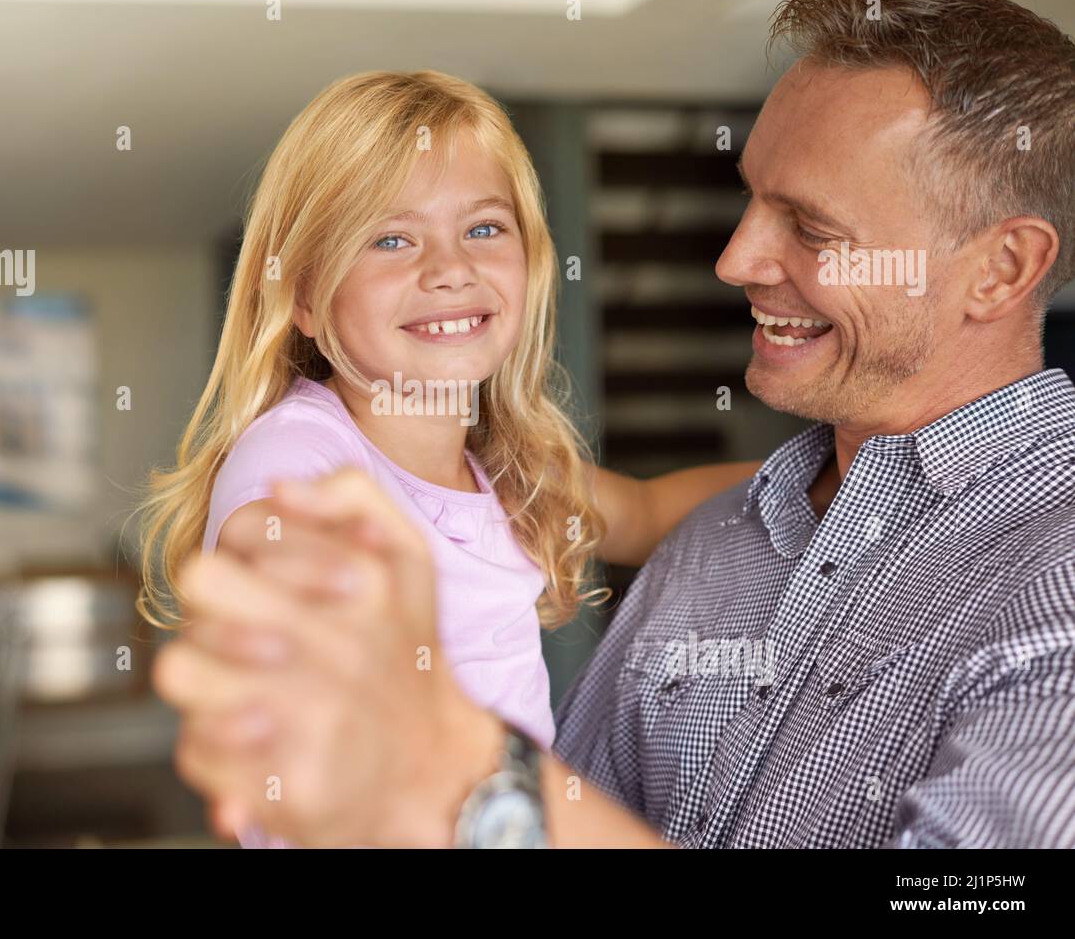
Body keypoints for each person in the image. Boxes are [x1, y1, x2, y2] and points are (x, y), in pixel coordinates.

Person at [154, 0, 1075, 847]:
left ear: (999, 270)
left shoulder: (1051, 589)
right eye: (750, 199)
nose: (734, 257)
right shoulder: (727, 539)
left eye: (812, 228)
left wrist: (472, 782)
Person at [137, 70, 755, 846]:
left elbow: (649, 512)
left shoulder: (504, 471)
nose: (449, 267)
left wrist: (845, 465)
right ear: (303, 297)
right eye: (391, 238)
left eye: (485, 229)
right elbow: (283, 564)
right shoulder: (301, 452)